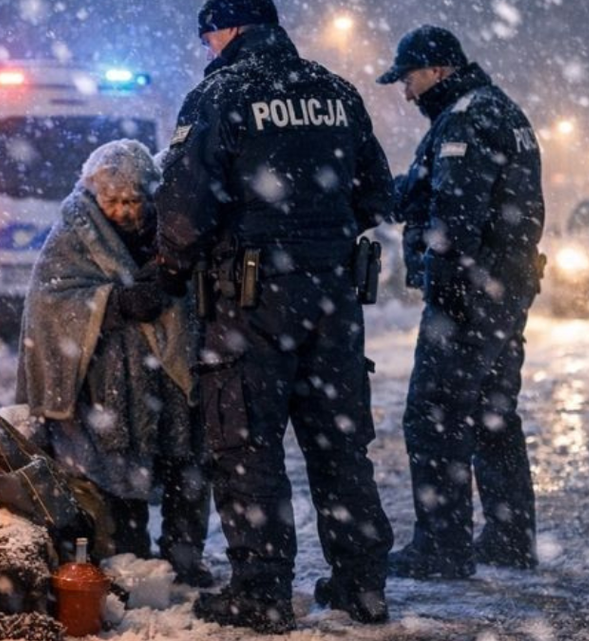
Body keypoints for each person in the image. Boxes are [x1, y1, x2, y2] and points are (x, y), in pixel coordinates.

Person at [154, 0, 396, 630]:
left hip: (251, 300)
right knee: (340, 445)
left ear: (229, 30)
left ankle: (261, 591)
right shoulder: (337, 93)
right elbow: (378, 194)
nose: (207, 50)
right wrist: (316, 237)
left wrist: (169, 272)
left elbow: (183, 210)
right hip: (334, 297)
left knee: (245, 445)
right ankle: (362, 585)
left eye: (209, 38)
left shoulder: (220, 95)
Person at [377, 25, 546, 579]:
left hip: (471, 296)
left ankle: (441, 547)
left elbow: (455, 210)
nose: (406, 93)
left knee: (434, 415)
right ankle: (509, 538)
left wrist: (447, 285)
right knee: (493, 414)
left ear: (437, 70)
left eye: (408, 79)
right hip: (505, 289)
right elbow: (428, 189)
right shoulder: (500, 110)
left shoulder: (465, 120)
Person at [15, 139, 213, 587]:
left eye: (133, 201)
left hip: (171, 373)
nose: (123, 211)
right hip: (111, 381)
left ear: (151, 195)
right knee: (117, 469)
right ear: (93, 192)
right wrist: (116, 303)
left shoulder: (171, 225)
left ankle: (184, 558)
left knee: (184, 461)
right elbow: (51, 302)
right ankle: (129, 558)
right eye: (113, 201)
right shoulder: (74, 230)